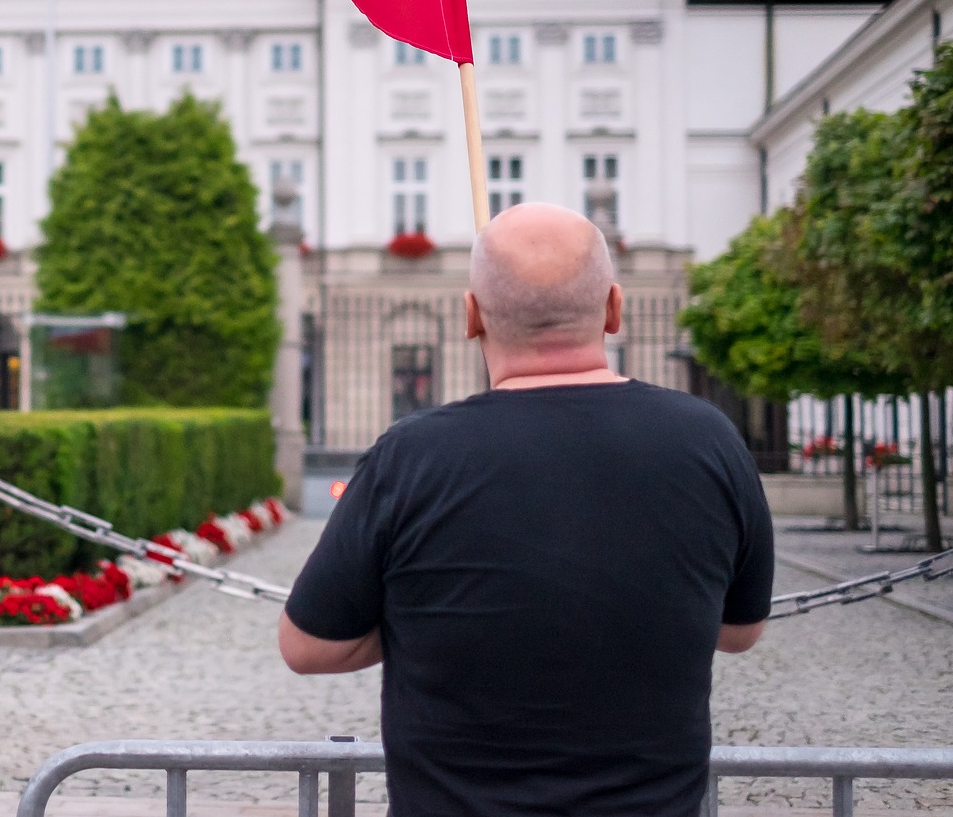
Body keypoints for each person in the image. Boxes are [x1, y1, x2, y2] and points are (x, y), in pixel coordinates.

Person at [279, 203, 774, 816]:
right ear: (616, 308)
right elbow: (740, 630)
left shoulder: (412, 456)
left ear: (470, 316)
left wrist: (438, 616)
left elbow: (309, 647)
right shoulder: (710, 439)